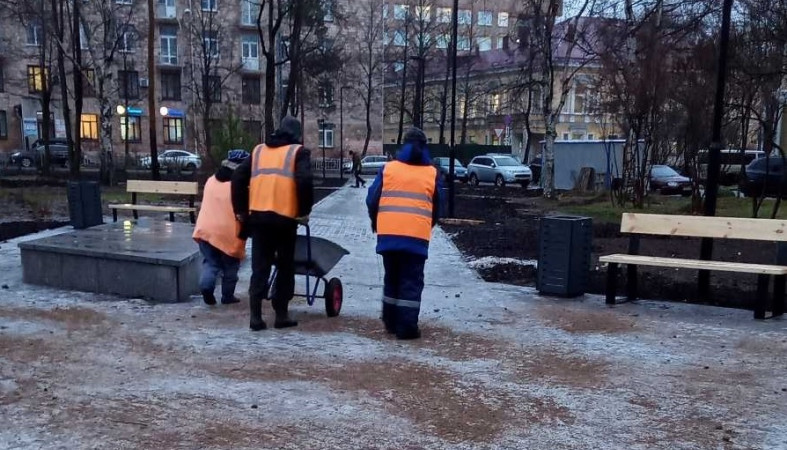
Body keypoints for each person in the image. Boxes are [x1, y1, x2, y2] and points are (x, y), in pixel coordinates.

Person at [231, 116, 314, 331]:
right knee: (285, 267)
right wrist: (304, 211)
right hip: (285, 220)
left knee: (260, 267)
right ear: (296, 134)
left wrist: (241, 210)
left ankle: (256, 317)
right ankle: (281, 315)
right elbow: (304, 181)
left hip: (258, 219)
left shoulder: (259, 151)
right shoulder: (298, 152)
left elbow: (238, 176)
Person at [366, 127, 442, 340]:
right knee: (411, 280)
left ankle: (390, 322)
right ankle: (406, 327)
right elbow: (437, 206)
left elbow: (372, 198)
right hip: (416, 237)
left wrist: (376, 221)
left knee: (392, 278)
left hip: (388, 235)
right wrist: (426, 224)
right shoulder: (431, 172)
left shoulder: (389, 169)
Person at [193, 150, 250, 306]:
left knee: (211, 263)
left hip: (206, 230)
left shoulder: (211, 180)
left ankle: (206, 288)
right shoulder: (239, 185)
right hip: (229, 233)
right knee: (231, 267)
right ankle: (227, 296)